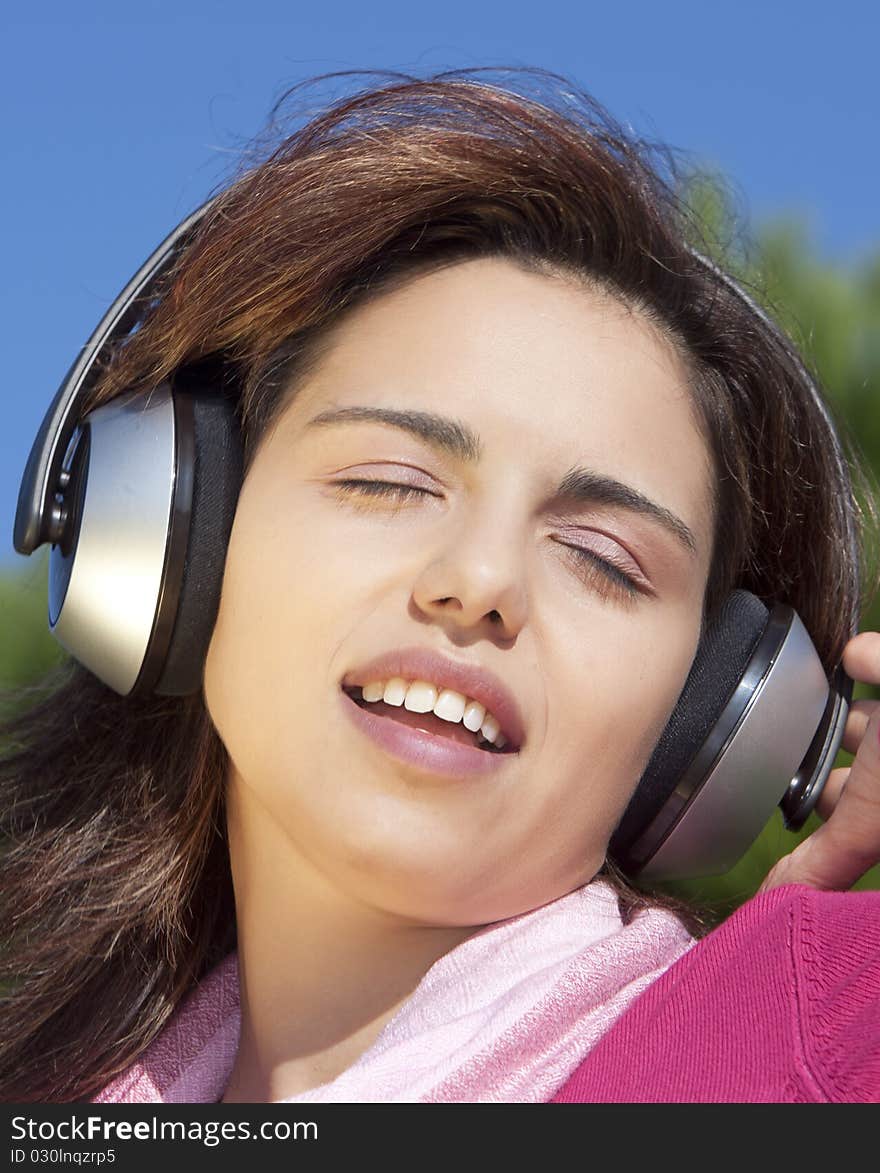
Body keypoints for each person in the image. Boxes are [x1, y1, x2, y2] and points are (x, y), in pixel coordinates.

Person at [2, 69, 879, 1105]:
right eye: (387, 481)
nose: (478, 582)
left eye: (602, 556)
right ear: (171, 538)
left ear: (722, 723)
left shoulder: (815, 1033)